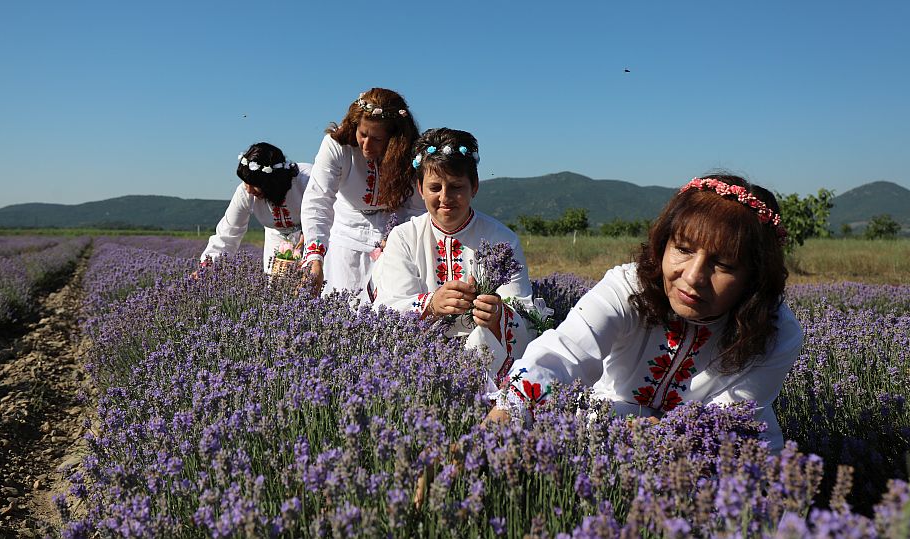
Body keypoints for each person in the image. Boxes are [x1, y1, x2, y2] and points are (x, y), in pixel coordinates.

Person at [487, 174, 803, 452]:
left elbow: (721, 424)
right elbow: (562, 355)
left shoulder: (778, 333)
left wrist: (656, 435)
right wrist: (505, 416)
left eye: (723, 264)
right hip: (606, 421)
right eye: (684, 249)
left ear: (755, 277)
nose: (693, 277)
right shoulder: (628, 287)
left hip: (716, 452)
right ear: (663, 244)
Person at [370, 128, 534, 380]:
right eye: (435, 187)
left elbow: (524, 310)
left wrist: (497, 315)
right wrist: (431, 305)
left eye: (456, 186)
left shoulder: (502, 239)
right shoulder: (404, 237)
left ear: (474, 187)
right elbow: (388, 308)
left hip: (485, 361)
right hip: (418, 358)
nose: (445, 198)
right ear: (420, 189)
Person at [300, 88, 423, 294]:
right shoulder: (337, 145)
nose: (366, 145)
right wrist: (314, 256)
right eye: (363, 134)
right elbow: (318, 199)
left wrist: (397, 237)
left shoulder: (410, 153)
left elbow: (417, 209)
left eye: (377, 139)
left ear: (395, 140)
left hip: (393, 235)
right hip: (345, 234)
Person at [197, 143, 311, 275]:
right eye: (246, 182)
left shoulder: (307, 179)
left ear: (273, 182)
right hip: (277, 243)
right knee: (278, 288)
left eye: (256, 185)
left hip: (316, 239)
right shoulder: (245, 192)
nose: (249, 190)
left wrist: (309, 234)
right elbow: (229, 232)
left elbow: (331, 211)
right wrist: (208, 266)